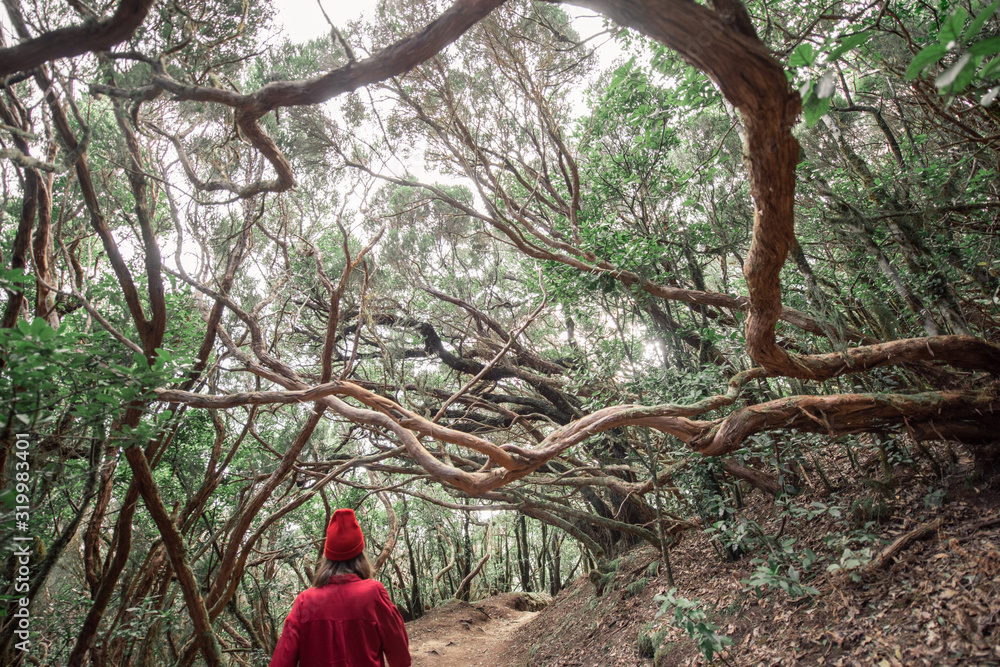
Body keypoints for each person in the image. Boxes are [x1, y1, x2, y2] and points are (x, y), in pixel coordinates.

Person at [270, 508, 411, 667]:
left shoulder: (304, 601)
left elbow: (280, 661)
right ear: (361, 555)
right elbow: (401, 658)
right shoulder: (374, 594)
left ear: (327, 557)